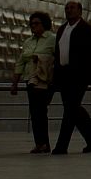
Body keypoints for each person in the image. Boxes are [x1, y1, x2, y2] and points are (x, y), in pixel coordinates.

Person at [52, 0, 91, 154]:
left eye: (72, 8)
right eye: (66, 8)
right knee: (72, 109)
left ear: (80, 11)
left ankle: (61, 146)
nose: (69, 10)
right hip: (64, 75)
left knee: (70, 110)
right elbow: (57, 53)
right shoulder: (62, 30)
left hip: (79, 76)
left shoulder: (88, 30)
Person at [9, 11, 57, 154]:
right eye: (31, 24)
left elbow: (58, 59)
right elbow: (20, 63)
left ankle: (44, 143)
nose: (33, 26)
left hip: (44, 81)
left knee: (41, 112)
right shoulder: (28, 42)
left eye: (36, 23)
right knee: (35, 112)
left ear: (44, 24)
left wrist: (41, 58)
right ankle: (40, 143)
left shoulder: (52, 39)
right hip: (30, 81)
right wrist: (15, 83)